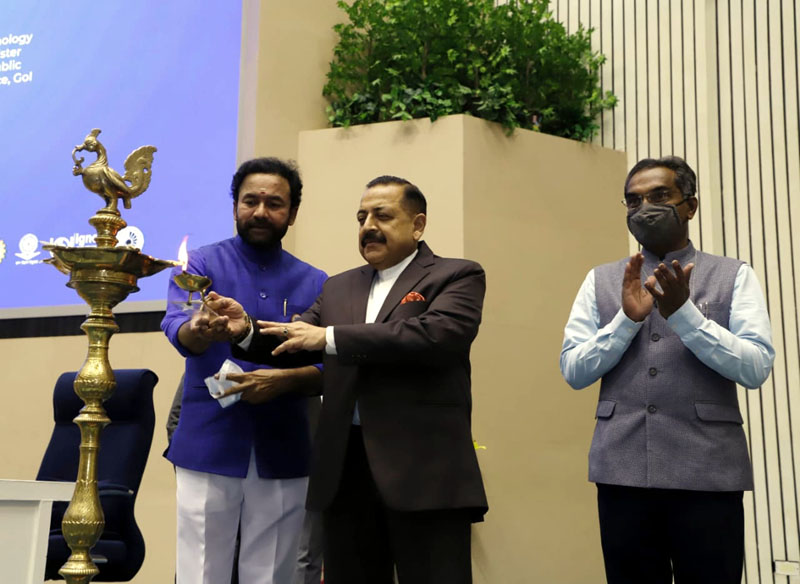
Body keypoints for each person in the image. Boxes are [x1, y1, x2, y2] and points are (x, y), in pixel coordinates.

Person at [211, 175, 488, 584]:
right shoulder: (340, 286)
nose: (368, 226)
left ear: (418, 225)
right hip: (345, 470)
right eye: (361, 217)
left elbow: (435, 336)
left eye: (383, 215)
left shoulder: (456, 275)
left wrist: (331, 337)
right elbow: (298, 339)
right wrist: (245, 330)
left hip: (424, 474)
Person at [560, 156, 775, 584]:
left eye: (660, 196)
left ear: (690, 206)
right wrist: (627, 320)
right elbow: (574, 369)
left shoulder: (734, 275)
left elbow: (755, 367)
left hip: (708, 474)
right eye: (633, 200)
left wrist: (684, 315)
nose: (644, 208)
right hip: (621, 473)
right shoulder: (600, 279)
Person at [161, 157, 327, 584]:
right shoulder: (198, 265)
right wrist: (200, 329)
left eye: (274, 203)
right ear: (235, 206)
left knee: (272, 574)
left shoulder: (317, 282)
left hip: (284, 445)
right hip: (209, 440)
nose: (260, 211)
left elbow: (326, 360)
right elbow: (178, 328)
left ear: (291, 213)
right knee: (200, 571)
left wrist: (286, 380)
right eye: (250, 200)